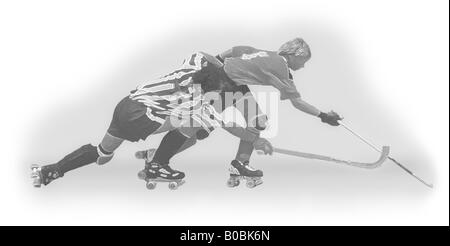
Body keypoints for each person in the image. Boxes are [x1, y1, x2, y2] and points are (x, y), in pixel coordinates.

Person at [30, 52, 273, 188]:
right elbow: (226, 125)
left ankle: (51, 171)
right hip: (140, 117)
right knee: (196, 123)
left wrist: (222, 65)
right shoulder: (196, 99)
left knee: (102, 155)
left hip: (125, 105)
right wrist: (255, 140)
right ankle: (157, 164)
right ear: (209, 89)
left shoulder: (195, 63)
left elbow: (204, 54)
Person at [143, 38, 342, 187]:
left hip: (233, 84)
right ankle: (158, 160)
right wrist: (323, 116)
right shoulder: (281, 67)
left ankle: (240, 163)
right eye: (304, 61)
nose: (304, 65)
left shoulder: (262, 52)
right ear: (294, 55)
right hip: (222, 85)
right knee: (197, 127)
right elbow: (297, 103)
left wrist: (217, 63)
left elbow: (234, 50)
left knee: (258, 121)